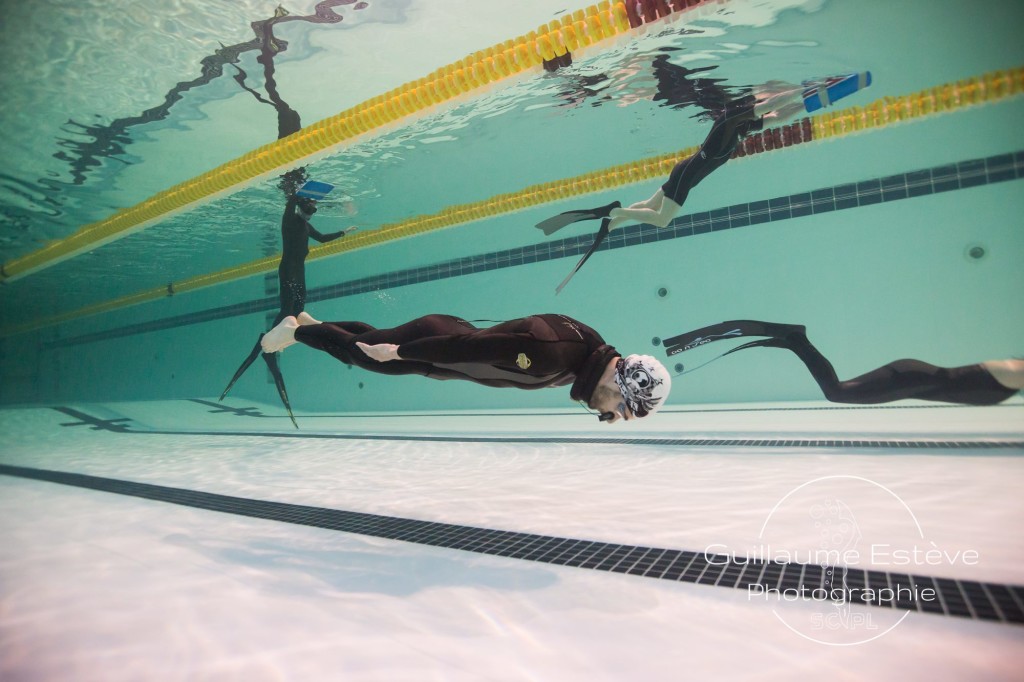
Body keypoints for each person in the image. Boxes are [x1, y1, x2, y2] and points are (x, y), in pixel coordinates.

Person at [537, 56, 872, 291]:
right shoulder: (728, 121)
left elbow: (778, 116)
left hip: (685, 172)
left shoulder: (739, 129)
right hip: (686, 174)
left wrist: (815, 102)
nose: (755, 111)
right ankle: (614, 213)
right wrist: (806, 88)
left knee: (656, 212)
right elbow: (770, 102)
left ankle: (614, 216)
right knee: (661, 218)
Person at [259, 312, 673, 423]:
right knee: (365, 352)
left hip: (446, 345)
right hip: (443, 345)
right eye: (623, 410)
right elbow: (470, 348)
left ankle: (313, 326)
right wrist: (406, 354)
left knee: (370, 340)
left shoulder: (588, 348)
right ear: (622, 386)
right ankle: (294, 333)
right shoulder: (557, 354)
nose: (614, 417)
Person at [219, 187, 358, 424]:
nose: (311, 213)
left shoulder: (305, 225)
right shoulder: (289, 220)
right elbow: (291, 202)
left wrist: (343, 232)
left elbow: (322, 238)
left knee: (297, 312)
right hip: (288, 271)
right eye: (309, 208)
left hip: (300, 272)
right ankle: (264, 349)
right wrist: (296, 192)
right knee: (288, 313)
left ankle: (267, 347)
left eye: (313, 210)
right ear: (300, 207)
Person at [663, 320, 1024, 405]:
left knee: (837, 392)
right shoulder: (1015, 372)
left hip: (914, 375)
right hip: (910, 375)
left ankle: (795, 341)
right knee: (836, 392)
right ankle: (795, 340)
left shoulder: (1014, 373)